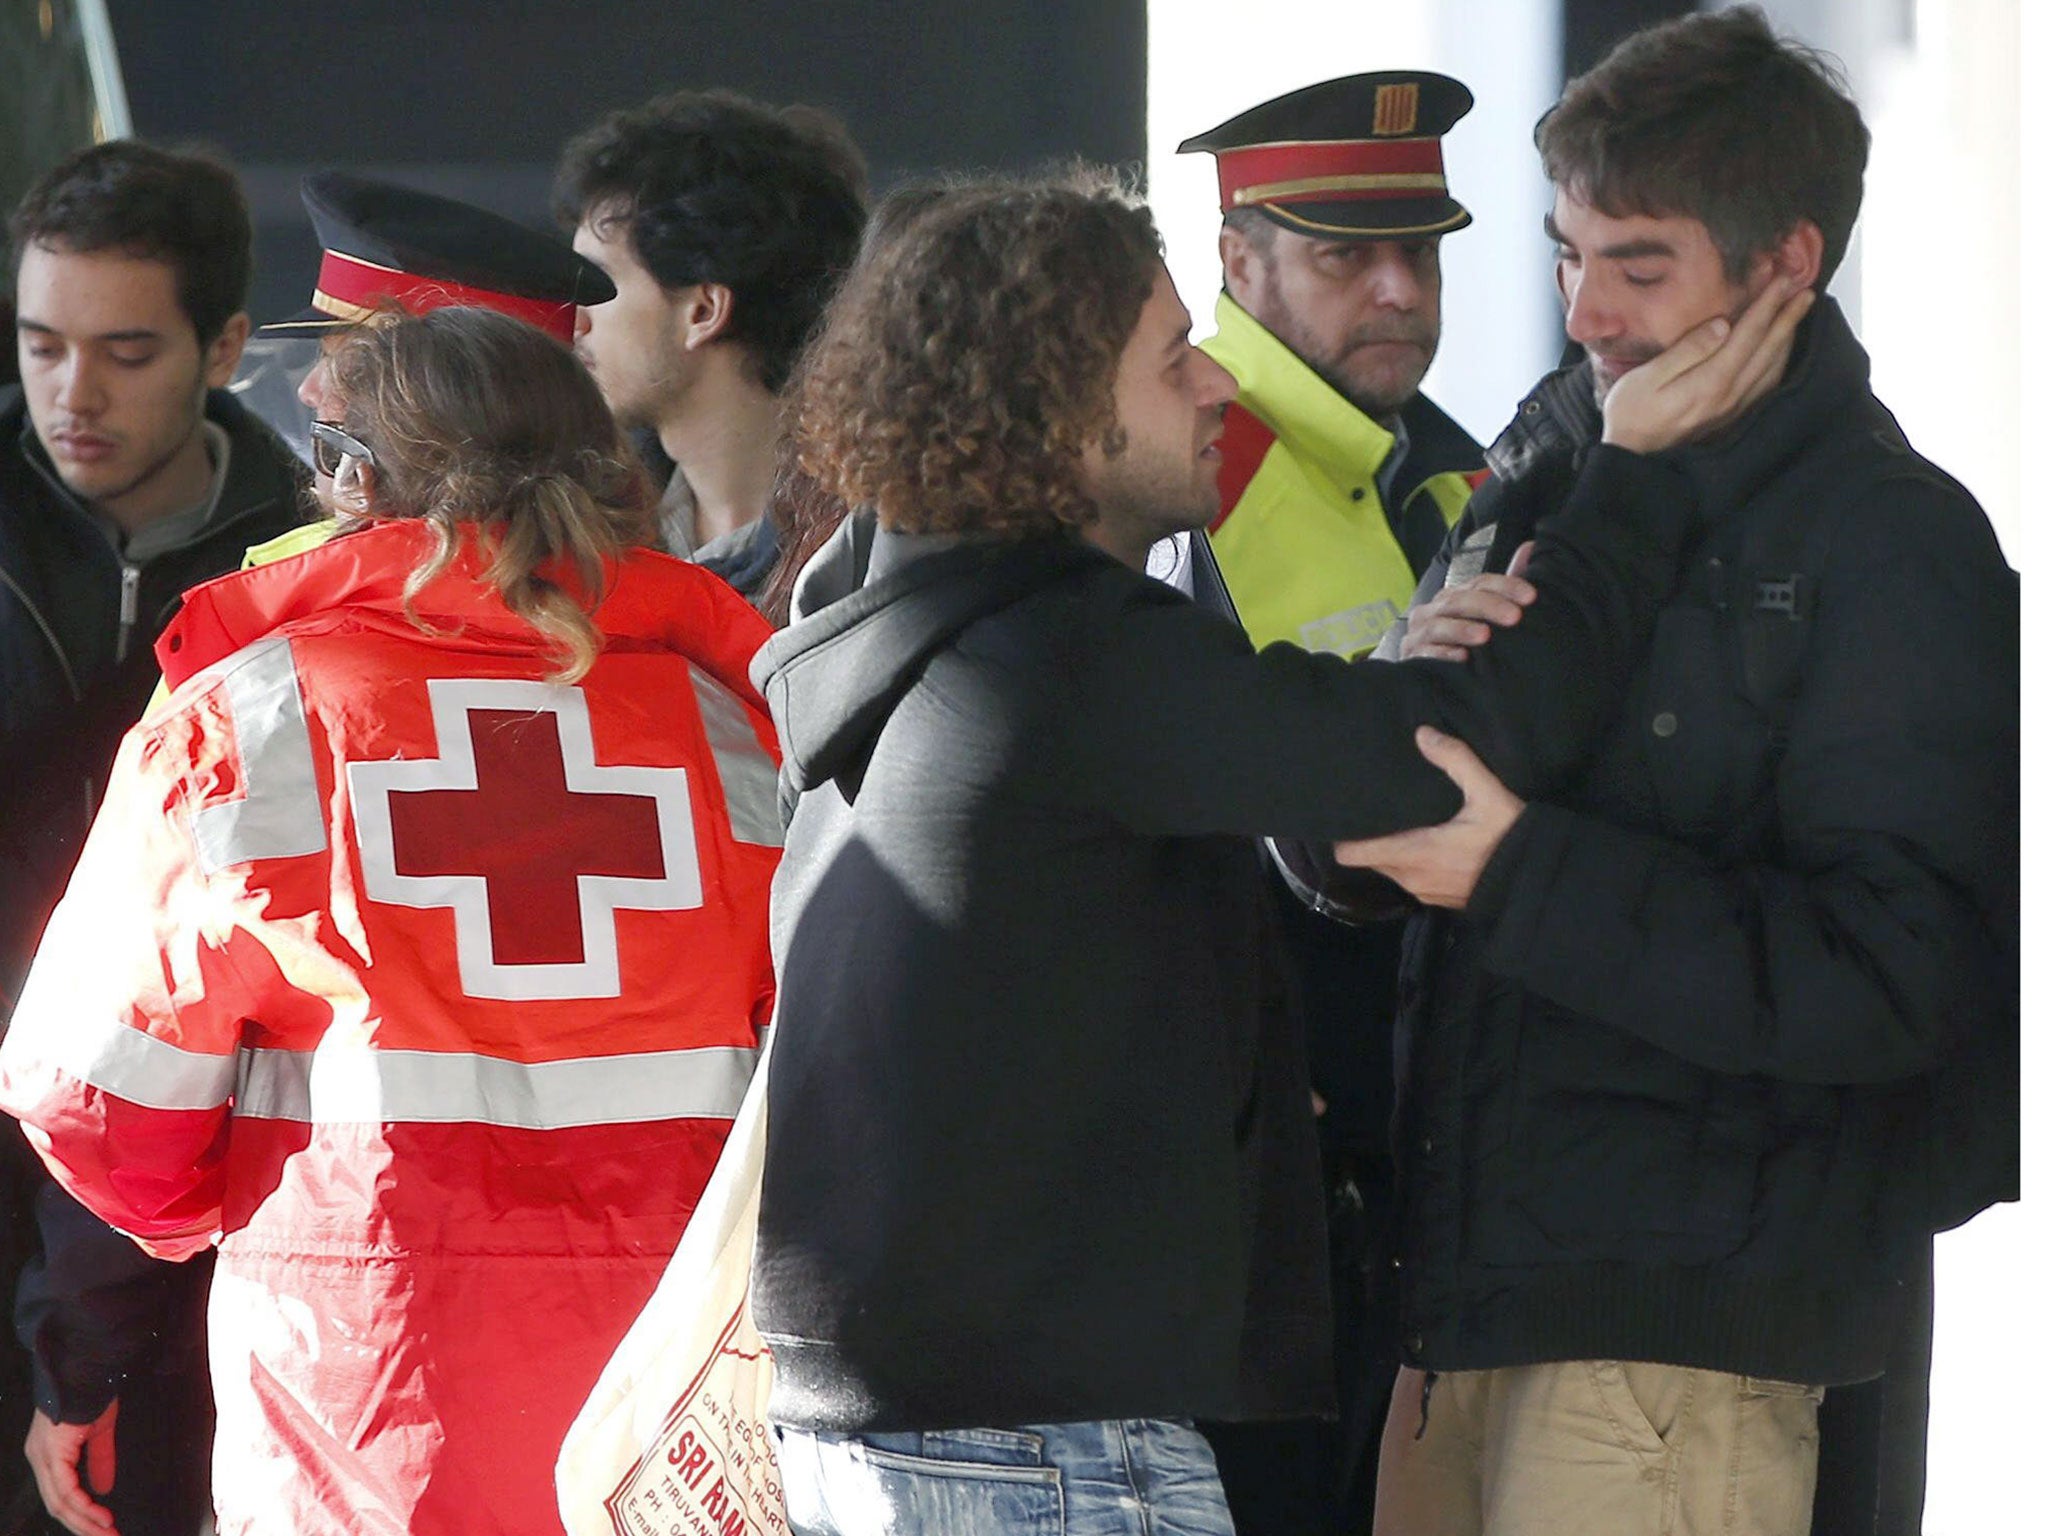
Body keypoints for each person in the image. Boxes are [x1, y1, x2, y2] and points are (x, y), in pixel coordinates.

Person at [745, 168, 1808, 1536]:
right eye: (1172, 356)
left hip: (917, 1427)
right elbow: (1442, 758)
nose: (1216, 389)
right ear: (1052, 411)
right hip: (1040, 1442)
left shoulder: (916, 635)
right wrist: (1639, 480)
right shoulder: (1065, 651)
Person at [1334, 12, 2019, 1536]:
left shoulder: (1894, 539)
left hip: (1683, 1349)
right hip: (1460, 1314)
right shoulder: (1549, 475)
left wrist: (1517, 875)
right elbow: (1391, 809)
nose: (1584, 311)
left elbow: (1904, 979)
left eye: (1636, 265)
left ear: (1788, 263)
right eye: (1567, 253)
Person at [0, 306, 784, 1536]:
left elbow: (91, 1093)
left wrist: (216, 1216)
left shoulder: (244, 722)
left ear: (358, 481)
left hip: (362, 1399)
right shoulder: (740, 734)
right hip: (675, 1408)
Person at [1176, 74, 1487, 1532]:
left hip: (1413, 1173)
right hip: (1264, 1208)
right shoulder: (1198, 474)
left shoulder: (1450, 465)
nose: (1397, 291)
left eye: (1419, 252)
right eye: (1344, 256)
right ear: (1237, 264)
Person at [0, 140, 308, 1536]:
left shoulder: (303, 560)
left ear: (227, 345)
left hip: (167, 1169)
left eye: (126, 351)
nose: (75, 392)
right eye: (41, 344)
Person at [553, 88, 868, 599]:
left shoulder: (862, 555)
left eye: (597, 283)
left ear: (703, 312)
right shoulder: (588, 530)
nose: (575, 318)